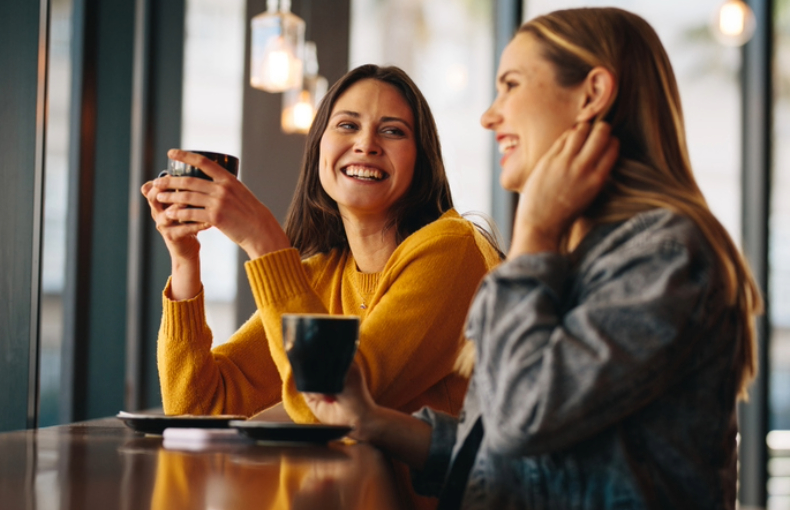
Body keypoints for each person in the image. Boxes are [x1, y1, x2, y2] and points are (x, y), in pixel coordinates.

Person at [303, 8, 762, 510]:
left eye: (511, 85)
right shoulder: (578, 255)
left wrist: (534, 233)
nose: (489, 115)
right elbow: (508, 458)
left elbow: (525, 417)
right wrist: (372, 421)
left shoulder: (664, 256)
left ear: (591, 94)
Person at [141, 64, 503, 427]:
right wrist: (185, 260)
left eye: (393, 131)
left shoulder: (451, 249)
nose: (366, 144)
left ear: (421, 161)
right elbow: (198, 407)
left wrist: (262, 238)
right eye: (347, 125)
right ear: (317, 150)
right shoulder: (322, 276)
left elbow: (333, 403)